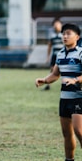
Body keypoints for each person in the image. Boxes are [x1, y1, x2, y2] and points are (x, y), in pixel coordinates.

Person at [35, 23, 82, 161]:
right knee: (67, 133)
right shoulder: (60, 54)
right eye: (64, 34)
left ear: (77, 37)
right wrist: (44, 80)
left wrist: (76, 80)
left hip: (78, 97)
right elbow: (55, 74)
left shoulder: (80, 53)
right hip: (64, 98)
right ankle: (69, 159)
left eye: (68, 33)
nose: (65, 36)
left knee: (79, 130)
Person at [45, 17, 64, 91]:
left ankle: (65, 85)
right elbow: (49, 46)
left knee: (63, 71)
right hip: (55, 55)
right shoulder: (52, 35)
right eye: (55, 24)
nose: (56, 26)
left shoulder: (64, 34)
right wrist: (48, 56)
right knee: (52, 70)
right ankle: (48, 85)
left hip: (62, 56)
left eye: (58, 24)